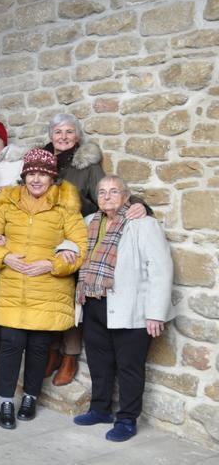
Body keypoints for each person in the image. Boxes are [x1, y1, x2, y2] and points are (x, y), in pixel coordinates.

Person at [0, 148, 87, 430]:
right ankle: (6, 401)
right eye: (32, 173)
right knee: (11, 344)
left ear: (52, 178)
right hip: (14, 285)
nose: (36, 179)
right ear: (24, 176)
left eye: (43, 174)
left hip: (49, 288)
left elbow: (80, 247)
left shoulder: (66, 208)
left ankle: (30, 396)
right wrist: (4, 257)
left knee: (39, 347)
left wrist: (52, 265)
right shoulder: (6, 204)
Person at [41, 114, 147, 386]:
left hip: (73, 235)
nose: (63, 137)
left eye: (69, 132)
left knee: (71, 297)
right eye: (58, 132)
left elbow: (108, 191)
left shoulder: (86, 164)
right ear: (50, 135)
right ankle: (51, 350)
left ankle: (69, 356)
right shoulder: (40, 161)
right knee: (47, 296)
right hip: (43, 237)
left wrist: (140, 204)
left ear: (77, 136)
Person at [72, 175, 174, 442]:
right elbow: (73, 246)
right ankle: (100, 409)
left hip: (131, 308)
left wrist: (155, 312)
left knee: (130, 367)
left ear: (126, 196)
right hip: (94, 303)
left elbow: (161, 270)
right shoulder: (89, 222)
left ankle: (127, 419)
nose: (107, 196)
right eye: (102, 191)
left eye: (114, 191)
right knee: (99, 362)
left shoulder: (143, 224)